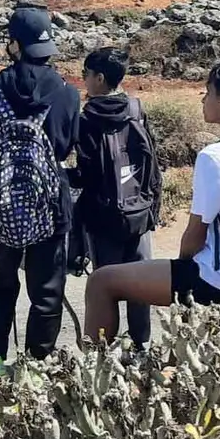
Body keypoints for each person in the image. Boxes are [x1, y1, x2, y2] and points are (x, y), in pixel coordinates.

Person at [83, 58, 220, 343]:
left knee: (101, 281)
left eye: (208, 93)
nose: (203, 100)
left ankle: (95, 372)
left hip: (216, 278)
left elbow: (195, 236)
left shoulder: (215, 156)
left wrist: (181, 276)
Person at [0, 7, 80, 387]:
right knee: (47, 290)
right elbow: (67, 146)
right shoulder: (67, 91)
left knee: (1, 285)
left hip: (1, 206)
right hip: (50, 207)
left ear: (13, 45)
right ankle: (37, 369)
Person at [70, 47, 162, 349]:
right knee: (140, 283)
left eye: (85, 74)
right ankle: (142, 346)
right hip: (139, 212)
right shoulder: (137, 108)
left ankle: (104, 352)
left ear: (98, 78)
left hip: (103, 215)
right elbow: (152, 164)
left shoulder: (86, 119)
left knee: (106, 285)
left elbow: (85, 173)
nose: (83, 79)